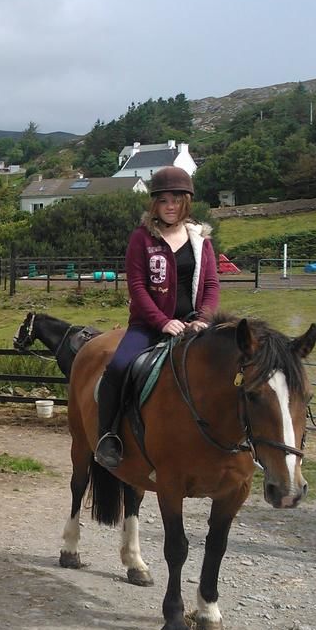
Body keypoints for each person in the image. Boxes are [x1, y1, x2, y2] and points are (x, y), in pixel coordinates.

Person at [94, 166, 220, 469]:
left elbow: (212, 285)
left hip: (194, 323)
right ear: (155, 204)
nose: (170, 206)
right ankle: (108, 435)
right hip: (149, 325)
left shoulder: (201, 241)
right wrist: (162, 321)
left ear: (186, 202)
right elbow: (137, 287)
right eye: (164, 201)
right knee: (118, 367)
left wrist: (203, 318)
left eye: (176, 200)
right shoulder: (142, 238)